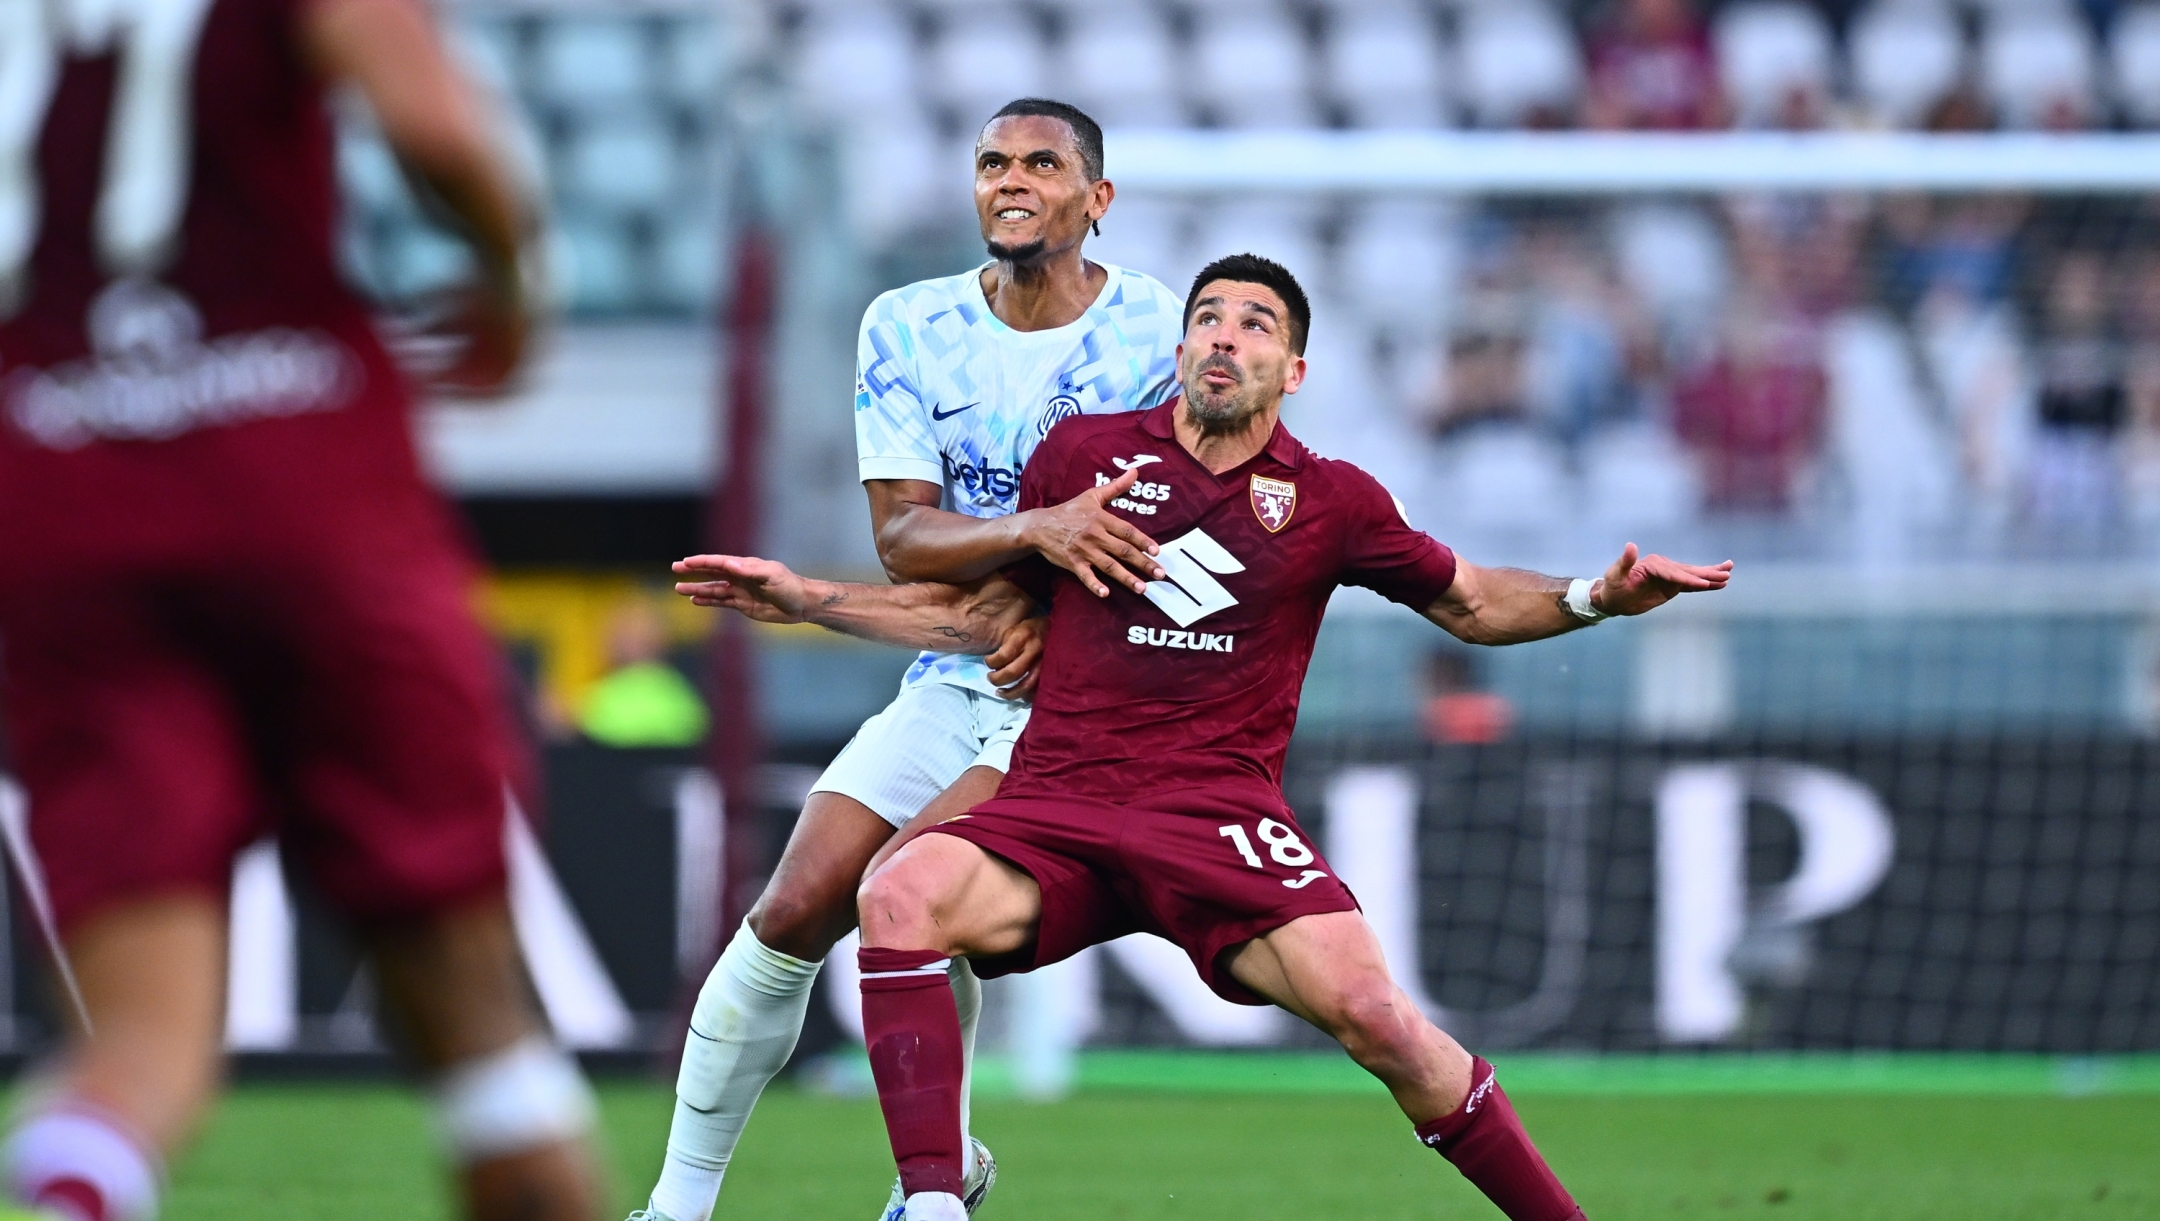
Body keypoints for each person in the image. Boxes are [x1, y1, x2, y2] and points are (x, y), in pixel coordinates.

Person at [676, 254, 1733, 1221]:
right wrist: (809, 598)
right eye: (1208, 318)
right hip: (1060, 799)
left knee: (1380, 1018)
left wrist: (1596, 596)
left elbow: (1473, 601)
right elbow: (983, 618)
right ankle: (933, 1205)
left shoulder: (1332, 499)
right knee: (899, 893)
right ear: (1180, 347)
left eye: (1255, 324)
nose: (1225, 335)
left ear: (1294, 370)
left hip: (1216, 815)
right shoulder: (1083, 458)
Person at [0, 0, 602, 1217]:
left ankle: (82, 1170)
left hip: (57, 468)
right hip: (298, 457)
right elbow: (434, 127)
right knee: (476, 1023)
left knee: (138, 1041)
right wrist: (512, 280)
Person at [630, 98, 1187, 1221]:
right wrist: (1037, 540)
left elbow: (1171, 528)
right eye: (992, 162)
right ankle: (678, 1206)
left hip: (1076, 701)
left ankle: (929, 1185)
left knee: (908, 888)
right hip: (952, 670)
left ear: (1098, 198)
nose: (1011, 180)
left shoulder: (1155, 331)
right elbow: (905, 537)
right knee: (792, 910)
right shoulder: (907, 322)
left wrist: (1052, 604)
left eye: (1042, 163)